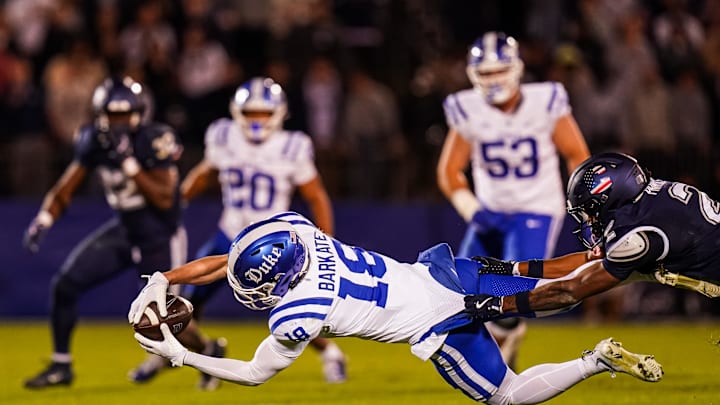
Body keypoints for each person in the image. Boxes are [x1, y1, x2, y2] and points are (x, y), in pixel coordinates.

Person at [128, 211, 663, 404]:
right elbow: (233, 259)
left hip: (443, 324)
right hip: (445, 272)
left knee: (505, 396)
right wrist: (164, 278)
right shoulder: (298, 234)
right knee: (544, 274)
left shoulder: (299, 314)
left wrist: (180, 355)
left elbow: (250, 374)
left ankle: (595, 360)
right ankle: (619, 261)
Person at [128, 77, 346, 388]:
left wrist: (327, 239)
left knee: (287, 309)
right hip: (229, 233)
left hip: (272, 244)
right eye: (251, 113)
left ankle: (331, 354)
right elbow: (204, 175)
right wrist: (177, 204)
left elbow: (316, 195)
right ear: (237, 112)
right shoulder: (224, 136)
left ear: (279, 113)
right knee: (190, 300)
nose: (257, 120)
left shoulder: (292, 145)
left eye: (264, 113)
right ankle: (185, 355)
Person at [436, 31, 590, 368]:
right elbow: (449, 171)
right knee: (458, 289)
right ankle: (502, 341)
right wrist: (472, 209)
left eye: (498, 72)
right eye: (485, 73)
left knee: (513, 292)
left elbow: (576, 154)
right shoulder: (467, 107)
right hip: (490, 211)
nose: (492, 80)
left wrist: (586, 206)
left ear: (516, 69)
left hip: (536, 208)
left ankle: (504, 344)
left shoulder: (546, 99)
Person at [22, 76, 186, 389]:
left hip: (158, 233)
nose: (118, 122)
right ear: (100, 115)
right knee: (65, 285)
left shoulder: (155, 138)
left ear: (139, 113)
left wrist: (130, 165)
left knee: (164, 318)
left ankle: (207, 350)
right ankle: (61, 366)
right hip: (125, 229)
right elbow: (65, 188)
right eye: (112, 115)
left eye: (124, 115)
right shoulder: (94, 140)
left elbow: (164, 199)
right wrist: (44, 218)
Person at [464, 152, 720, 322]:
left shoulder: (636, 236)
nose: (589, 220)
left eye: (590, 211)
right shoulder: (649, 199)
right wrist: (514, 268)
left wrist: (501, 305)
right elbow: (588, 261)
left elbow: (571, 291)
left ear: (607, 198)